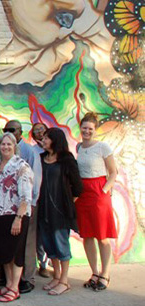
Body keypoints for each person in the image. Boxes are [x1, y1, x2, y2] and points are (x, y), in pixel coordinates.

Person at [0, 132, 34, 303]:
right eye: (3, 144)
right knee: (4, 253)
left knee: (15, 253)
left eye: (9, 144)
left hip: (15, 215)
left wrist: (19, 218)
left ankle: (15, 288)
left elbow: (26, 197)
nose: (5, 147)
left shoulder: (21, 166)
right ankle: (8, 284)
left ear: (15, 146)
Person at [75, 112, 118, 292]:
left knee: (102, 236)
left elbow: (113, 172)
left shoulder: (103, 147)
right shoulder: (78, 147)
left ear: (95, 129)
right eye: (84, 128)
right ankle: (94, 272)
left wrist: (103, 191)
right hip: (83, 195)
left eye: (90, 129)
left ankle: (105, 273)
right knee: (87, 235)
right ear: (80, 128)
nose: (87, 131)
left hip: (99, 192)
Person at [38, 128, 83, 296]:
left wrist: (67, 204)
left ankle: (64, 280)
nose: (43, 140)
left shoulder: (66, 160)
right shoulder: (42, 158)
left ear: (55, 140)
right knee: (49, 244)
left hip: (60, 212)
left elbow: (78, 187)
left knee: (61, 244)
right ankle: (56, 276)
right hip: (43, 209)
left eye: (47, 138)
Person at [2, 120, 42, 294]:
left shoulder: (29, 151)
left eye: (13, 130)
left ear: (20, 132)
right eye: (6, 130)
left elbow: (36, 179)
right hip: (9, 207)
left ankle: (28, 278)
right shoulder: (3, 151)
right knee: (14, 243)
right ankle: (12, 279)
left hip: (26, 206)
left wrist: (31, 204)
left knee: (28, 243)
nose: (9, 132)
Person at [30, 122, 51, 279]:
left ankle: (52, 261)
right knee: (39, 232)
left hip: (53, 196)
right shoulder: (33, 151)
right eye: (36, 130)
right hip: (39, 195)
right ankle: (42, 264)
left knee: (51, 231)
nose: (39, 132)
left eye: (41, 129)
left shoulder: (55, 151)